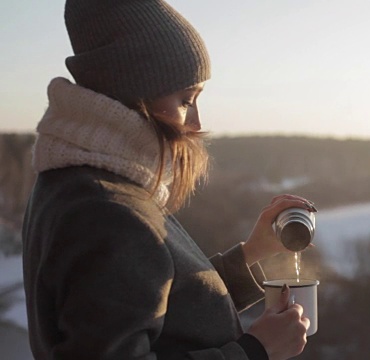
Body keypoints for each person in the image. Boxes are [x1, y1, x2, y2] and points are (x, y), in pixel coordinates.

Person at [21, 0, 315, 359]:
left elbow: (161, 309)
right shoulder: (106, 210)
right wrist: (255, 351)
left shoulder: (87, 183)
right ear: (132, 90)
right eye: (186, 99)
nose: (195, 124)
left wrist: (252, 253)